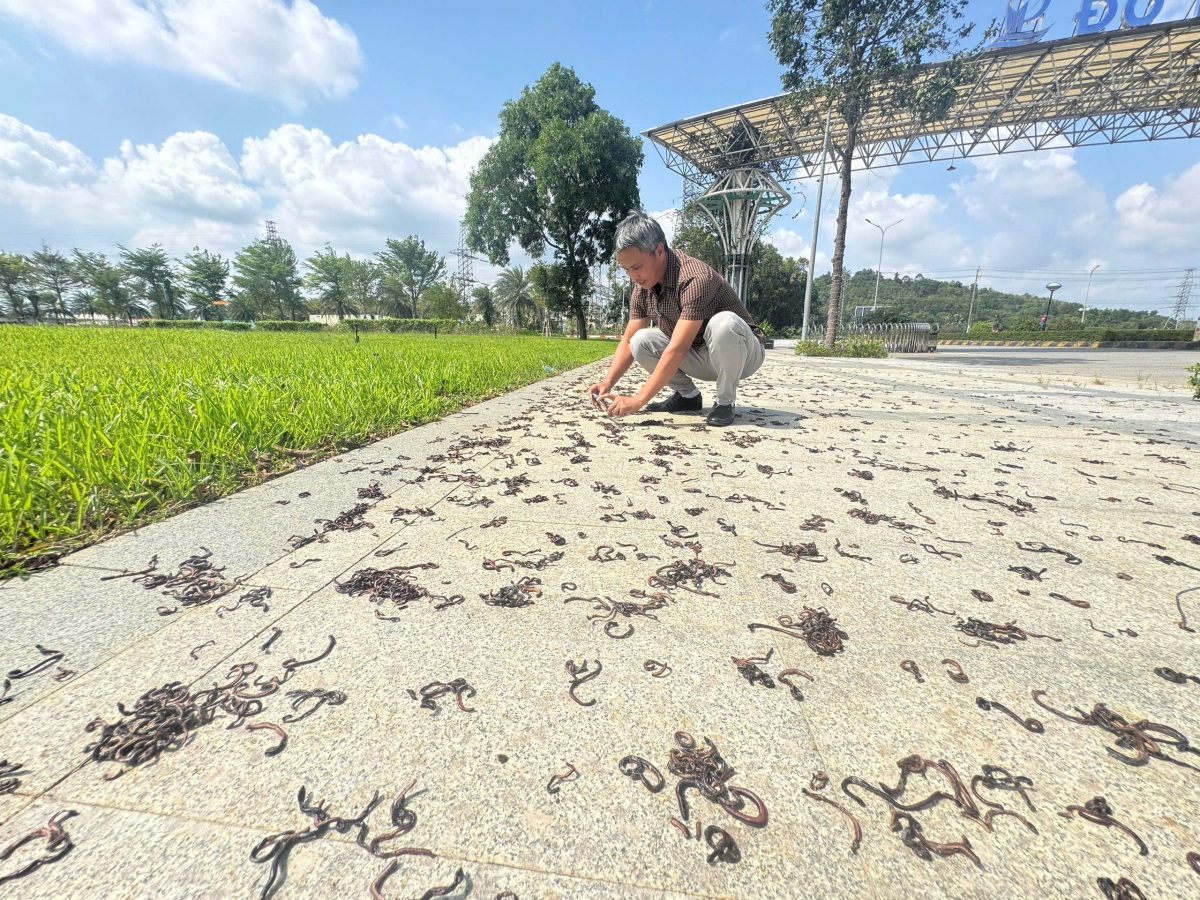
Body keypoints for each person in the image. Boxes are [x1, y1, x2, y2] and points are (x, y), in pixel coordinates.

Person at [587, 212, 766, 427]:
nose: (632, 276)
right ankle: (688, 396)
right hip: (701, 356)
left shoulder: (695, 277)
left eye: (636, 267)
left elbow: (678, 349)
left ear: (659, 251)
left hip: (742, 355)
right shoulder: (643, 288)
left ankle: (725, 402)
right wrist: (608, 382)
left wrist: (638, 399)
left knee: (724, 324)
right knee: (639, 340)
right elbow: (627, 341)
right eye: (626, 270)